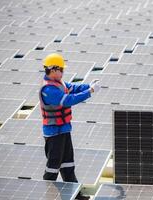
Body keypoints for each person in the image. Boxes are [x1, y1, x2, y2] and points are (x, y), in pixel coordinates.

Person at [39, 53, 100, 200]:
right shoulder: (48, 90)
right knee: (53, 167)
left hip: (64, 130)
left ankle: (75, 195)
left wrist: (89, 85)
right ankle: (48, 195)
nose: (63, 72)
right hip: (54, 134)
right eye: (61, 69)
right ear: (53, 70)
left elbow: (74, 88)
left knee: (68, 165)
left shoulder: (60, 84)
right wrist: (90, 92)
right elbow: (68, 100)